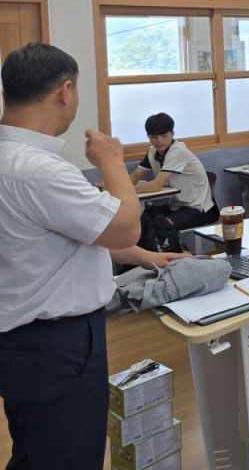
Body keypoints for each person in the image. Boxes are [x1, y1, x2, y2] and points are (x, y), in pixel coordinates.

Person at [0, 43, 185, 469]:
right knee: (70, 456)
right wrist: (112, 162)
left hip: (18, 341)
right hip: (57, 346)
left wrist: (143, 256)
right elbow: (125, 224)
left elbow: (67, 236)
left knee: (31, 452)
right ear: (65, 91)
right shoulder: (40, 171)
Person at [130, 112, 219, 231]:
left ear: (172, 134)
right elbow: (135, 176)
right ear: (148, 137)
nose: (159, 141)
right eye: (154, 137)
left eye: (164, 135)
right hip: (176, 206)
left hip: (197, 208)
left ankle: (173, 243)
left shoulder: (178, 151)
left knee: (158, 228)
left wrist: (122, 190)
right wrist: (113, 187)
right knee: (139, 219)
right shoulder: (152, 151)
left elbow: (156, 186)